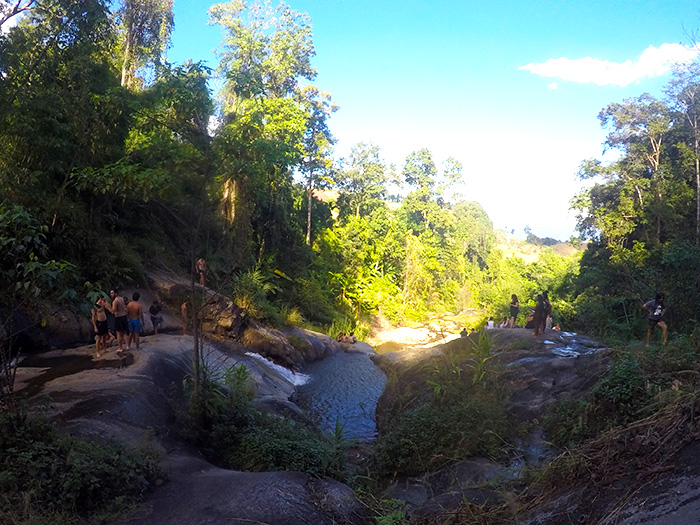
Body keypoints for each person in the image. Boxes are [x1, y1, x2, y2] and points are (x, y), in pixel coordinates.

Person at [104, 288, 128, 352]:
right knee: (125, 332)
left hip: (119, 318)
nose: (111, 294)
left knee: (118, 333)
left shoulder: (115, 301)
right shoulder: (121, 298)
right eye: (110, 293)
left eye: (112, 293)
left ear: (116, 293)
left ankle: (120, 348)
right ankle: (127, 346)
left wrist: (106, 307)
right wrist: (108, 304)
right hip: (124, 317)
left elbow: (112, 311)